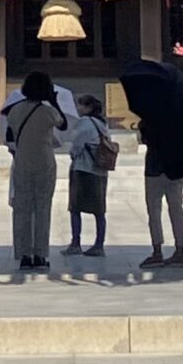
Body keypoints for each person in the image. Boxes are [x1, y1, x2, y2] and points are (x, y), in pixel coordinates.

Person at [119, 54, 183, 270]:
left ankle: (157, 250)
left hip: (155, 164)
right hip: (177, 163)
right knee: (176, 207)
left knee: (154, 209)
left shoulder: (152, 111)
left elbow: (146, 139)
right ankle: (180, 250)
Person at [0, 71, 67, 271]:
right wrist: (54, 102)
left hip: (22, 161)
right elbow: (64, 125)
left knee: (22, 209)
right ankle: (40, 254)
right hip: (45, 161)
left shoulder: (14, 110)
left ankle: (24, 254)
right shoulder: (48, 111)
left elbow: (10, 133)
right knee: (42, 208)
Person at [61, 94, 116, 257]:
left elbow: (77, 145)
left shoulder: (85, 123)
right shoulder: (102, 124)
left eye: (82, 106)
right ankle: (99, 244)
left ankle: (76, 243)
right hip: (100, 170)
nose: (79, 109)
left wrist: (72, 153)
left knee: (75, 207)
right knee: (99, 210)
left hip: (84, 169)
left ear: (88, 107)